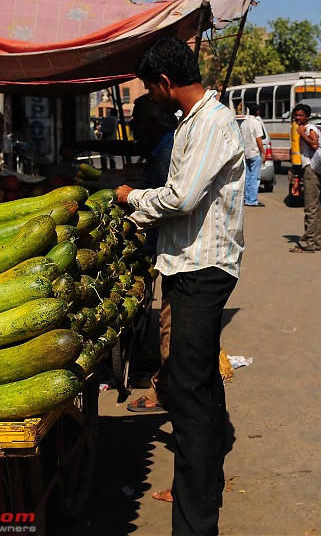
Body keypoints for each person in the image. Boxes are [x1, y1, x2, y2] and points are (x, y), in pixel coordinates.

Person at [115, 36, 244, 536]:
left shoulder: (212, 122)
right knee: (203, 389)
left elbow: (182, 197)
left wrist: (130, 197)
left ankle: (193, 523)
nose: (152, 95)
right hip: (190, 265)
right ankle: (204, 493)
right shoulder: (196, 122)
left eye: (151, 87)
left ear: (165, 83)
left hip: (201, 271)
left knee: (188, 397)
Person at [124, 94, 177, 416]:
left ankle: (165, 392)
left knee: (171, 320)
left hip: (171, 247)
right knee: (168, 317)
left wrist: (131, 202)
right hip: (163, 243)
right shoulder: (161, 148)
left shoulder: (167, 152)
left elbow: (170, 202)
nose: (133, 132)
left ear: (149, 125)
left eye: (136, 125)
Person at [289, 103, 321, 253]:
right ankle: (317, 241)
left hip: (312, 171)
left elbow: (315, 145)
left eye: (300, 115)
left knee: (310, 207)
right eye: (296, 115)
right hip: (312, 170)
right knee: (317, 207)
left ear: (307, 117)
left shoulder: (309, 129)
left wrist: (301, 133)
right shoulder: (308, 128)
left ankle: (308, 243)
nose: (297, 118)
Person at [241, 103, 266, 207]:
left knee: (247, 177)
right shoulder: (256, 123)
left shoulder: (244, 123)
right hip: (254, 153)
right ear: (257, 111)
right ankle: (252, 200)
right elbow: (258, 139)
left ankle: (247, 198)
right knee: (255, 178)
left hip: (246, 153)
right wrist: (263, 152)